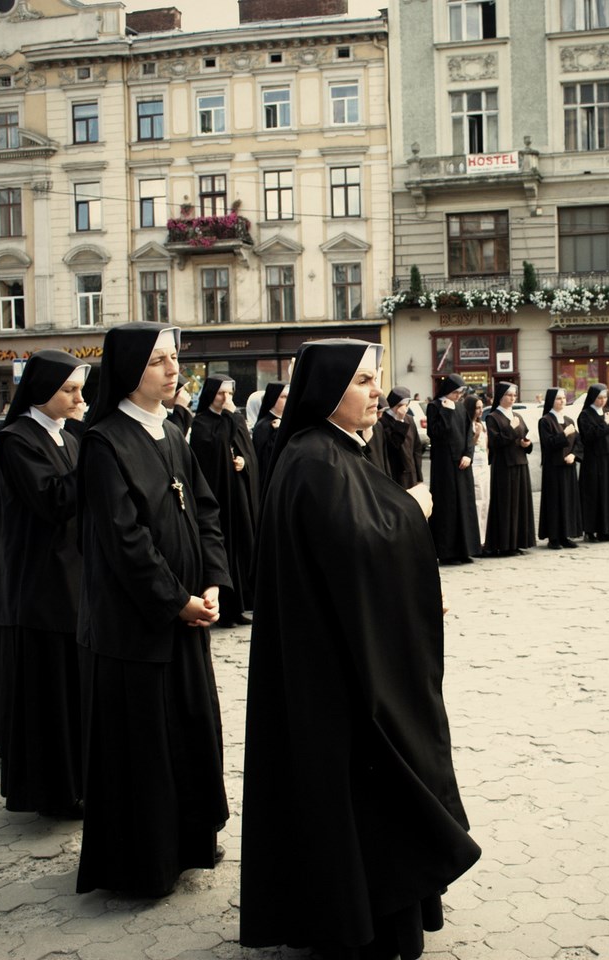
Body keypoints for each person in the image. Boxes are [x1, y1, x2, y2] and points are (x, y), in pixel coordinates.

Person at [241, 339, 480, 959]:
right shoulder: (315, 460)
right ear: (328, 391)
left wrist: (412, 581)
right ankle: (356, 923)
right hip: (336, 675)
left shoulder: (334, 451)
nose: (378, 391)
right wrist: (412, 510)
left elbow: (360, 556)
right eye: (365, 381)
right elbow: (358, 550)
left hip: (341, 660)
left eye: (376, 381)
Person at [76, 322, 230, 897]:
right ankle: (144, 865)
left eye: (174, 359)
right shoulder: (105, 443)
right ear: (128, 370)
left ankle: (189, 842)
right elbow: (125, 542)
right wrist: (176, 601)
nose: (174, 371)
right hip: (135, 630)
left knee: (189, 734)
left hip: (187, 618)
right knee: (144, 748)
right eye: (160, 361)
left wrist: (213, 581)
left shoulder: (170, 433)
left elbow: (206, 511)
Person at [0, 351, 88, 815]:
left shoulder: (66, 436)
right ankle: (55, 793)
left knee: (72, 692)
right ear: (42, 389)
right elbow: (54, 500)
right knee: (51, 695)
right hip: (41, 584)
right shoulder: (16, 439)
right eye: (69, 390)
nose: (78, 398)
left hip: (71, 578)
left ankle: (78, 782)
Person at [190, 376, 259, 627]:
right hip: (217, 495)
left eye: (229, 394)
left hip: (236, 495)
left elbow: (246, 449)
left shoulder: (232, 419)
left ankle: (239, 606)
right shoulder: (201, 423)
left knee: (240, 548)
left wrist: (244, 462)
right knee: (224, 550)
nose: (226, 399)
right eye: (221, 394)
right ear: (211, 394)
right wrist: (231, 417)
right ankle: (226, 610)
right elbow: (214, 449)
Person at [427, 374, 481, 564]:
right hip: (444, 466)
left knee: (464, 506)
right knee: (447, 507)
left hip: (462, 464)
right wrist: (447, 412)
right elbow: (435, 433)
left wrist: (468, 454)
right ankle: (448, 553)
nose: (459, 396)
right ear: (447, 391)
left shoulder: (460, 407)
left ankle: (465, 549)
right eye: (456, 392)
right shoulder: (434, 407)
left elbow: (469, 433)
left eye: (460, 393)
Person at [483, 381, 536, 557]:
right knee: (506, 505)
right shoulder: (493, 417)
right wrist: (511, 429)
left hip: (520, 463)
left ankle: (518, 542)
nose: (512, 398)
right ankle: (504, 544)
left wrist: (526, 444)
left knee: (520, 504)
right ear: (500, 396)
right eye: (509, 395)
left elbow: (525, 436)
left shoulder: (517, 417)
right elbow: (496, 442)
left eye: (514, 395)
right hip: (504, 466)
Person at [577, 382, 609, 542]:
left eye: (605, 397)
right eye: (599, 398)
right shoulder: (585, 415)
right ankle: (589, 530)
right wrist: (604, 423)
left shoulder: (608, 412)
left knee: (607, 494)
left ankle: (606, 529)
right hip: (592, 459)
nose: (602, 401)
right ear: (592, 398)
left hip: (607, 458)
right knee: (592, 494)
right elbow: (589, 436)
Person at [538, 388, 583, 550]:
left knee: (568, 501)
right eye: (558, 399)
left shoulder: (569, 420)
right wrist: (564, 435)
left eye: (564, 398)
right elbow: (548, 443)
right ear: (551, 401)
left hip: (568, 467)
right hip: (553, 467)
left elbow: (578, 442)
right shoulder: (545, 421)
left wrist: (574, 455)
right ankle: (554, 537)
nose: (562, 401)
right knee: (555, 502)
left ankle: (566, 535)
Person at [382, 386, 425, 489]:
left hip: (411, 472)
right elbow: (393, 444)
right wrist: (399, 420)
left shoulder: (409, 419)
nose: (405, 408)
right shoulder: (383, 420)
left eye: (406, 405)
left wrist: (419, 476)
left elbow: (416, 448)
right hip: (395, 472)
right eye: (402, 405)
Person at [251, 381, 288, 489]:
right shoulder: (263, 426)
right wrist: (278, 432)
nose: (288, 400)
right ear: (274, 398)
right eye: (284, 397)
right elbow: (266, 457)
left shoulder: (285, 422)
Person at [464, 394, 490, 543]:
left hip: (484, 464)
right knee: (477, 501)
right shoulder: (468, 425)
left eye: (481, 407)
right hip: (474, 466)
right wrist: (477, 434)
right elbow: (469, 446)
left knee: (486, 500)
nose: (480, 411)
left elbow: (486, 446)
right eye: (477, 408)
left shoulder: (483, 424)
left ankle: (485, 536)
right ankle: (477, 538)